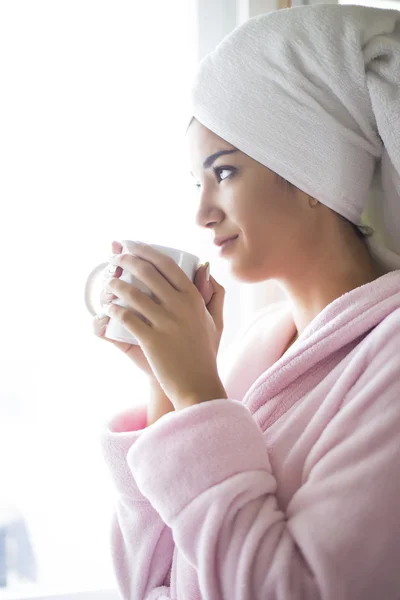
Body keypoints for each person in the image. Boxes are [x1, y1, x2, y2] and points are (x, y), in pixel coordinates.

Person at [94, 4, 400, 598]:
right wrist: (168, 387)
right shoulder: (261, 346)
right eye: (197, 183)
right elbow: (146, 584)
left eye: (225, 173)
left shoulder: (390, 362)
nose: (201, 212)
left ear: (311, 169)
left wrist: (197, 394)